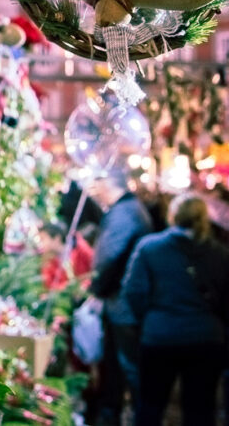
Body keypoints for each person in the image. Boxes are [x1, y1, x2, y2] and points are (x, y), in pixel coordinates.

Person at [122, 194, 229, 426]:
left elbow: (133, 292)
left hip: (159, 336)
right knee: (200, 408)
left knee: (150, 405)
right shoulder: (220, 254)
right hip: (206, 338)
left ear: (172, 215)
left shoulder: (150, 248)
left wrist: (149, 319)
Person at [88, 168, 153, 426]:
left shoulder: (124, 213)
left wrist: (97, 288)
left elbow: (111, 257)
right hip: (123, 300)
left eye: (98, 183)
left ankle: (139, 417)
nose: (96, 190)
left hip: (124, 303)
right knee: (120, 363)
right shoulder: (129, 210)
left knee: (127, 365)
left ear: (109, 184)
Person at [39, 222, 94, 291]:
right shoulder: (47, 263)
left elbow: (96, 269)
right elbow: (51, 289)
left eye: (42, 239)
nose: (41, 244)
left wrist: (84, 285)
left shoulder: (79, 248)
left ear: (56, 238)